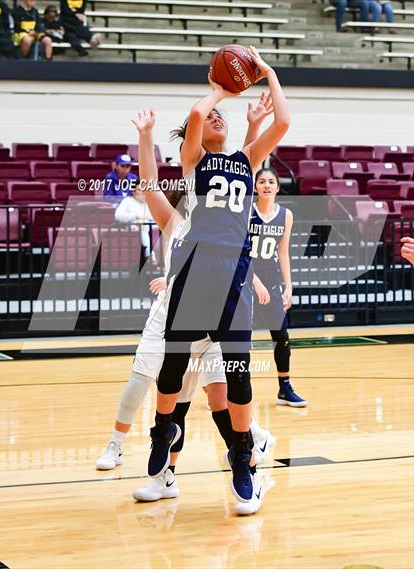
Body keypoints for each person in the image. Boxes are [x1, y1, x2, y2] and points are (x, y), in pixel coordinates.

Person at [137, 45, 290, 509]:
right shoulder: (193, 160)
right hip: (194, 274)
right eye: (211, 123)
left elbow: (283, 123)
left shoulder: (246, 159)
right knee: (172, 367)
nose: (215, 121)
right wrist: (217, 93)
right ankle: (162, 434)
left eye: (221, 119)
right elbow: (195, 116)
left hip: (233, 275)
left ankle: (242, 458)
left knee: (239, 377)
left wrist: (266, 72)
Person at [251, 168, 307, 408]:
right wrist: (255, 282)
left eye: (270, 181)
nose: (266, 185)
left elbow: (282, 252)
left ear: (277, 187)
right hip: (244, 281)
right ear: (255, 187)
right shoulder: (245, 212)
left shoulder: (286, 215)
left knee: (281, 338)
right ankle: (225, 388)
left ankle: (284, 388)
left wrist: (288, 286)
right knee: (237, 340)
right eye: (261, 181)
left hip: (271, 282)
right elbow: (237, 253)